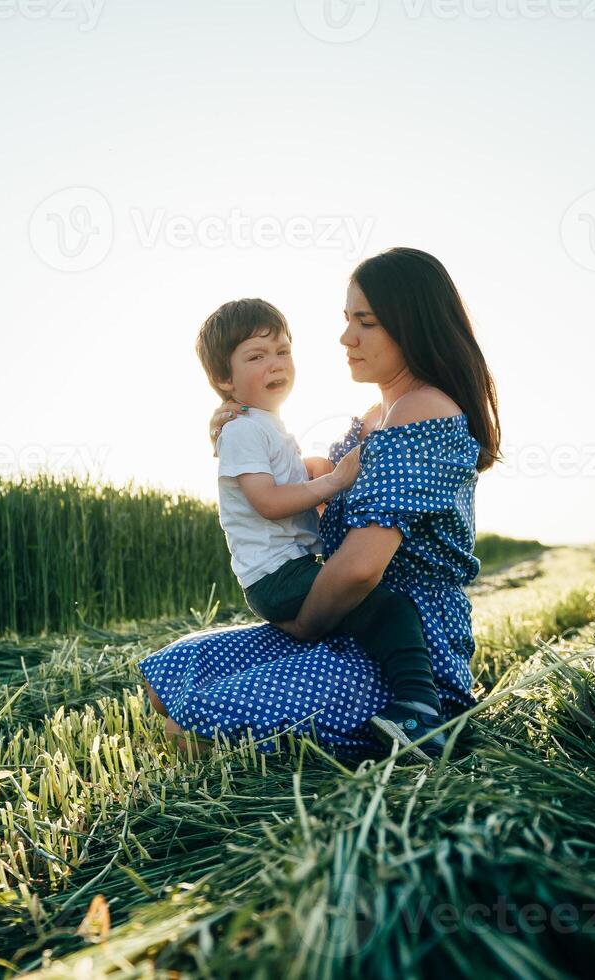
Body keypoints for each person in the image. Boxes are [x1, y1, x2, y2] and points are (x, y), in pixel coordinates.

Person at [139, 247, 500, 760]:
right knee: (169, 677)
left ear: (411, 326)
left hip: (403, 643)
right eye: (346, 319)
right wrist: (242, 417)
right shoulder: (378, 413)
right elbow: (316, 488)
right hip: (345, 615)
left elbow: (358, 569)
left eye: (366, 322)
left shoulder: (422, 412)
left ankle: (422, 715)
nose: (346, 337)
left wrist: (306, 626)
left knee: (194, 732)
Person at [193, 297, 450, 761]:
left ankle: (415, 706)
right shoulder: (245, 430)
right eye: (257, 356)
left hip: (290, 572)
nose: (276, 364)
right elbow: (268, 501)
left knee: (376, 614)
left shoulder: (264, 425)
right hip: (280, 574)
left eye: (283, 352)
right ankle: (419, 710)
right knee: (387, 610)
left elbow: (292, 480)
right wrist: (332, 479)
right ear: (225, 381)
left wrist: (317, 470)